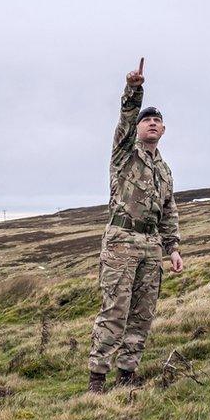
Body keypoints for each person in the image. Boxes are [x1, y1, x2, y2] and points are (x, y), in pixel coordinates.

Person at [88, 58, 184, 393]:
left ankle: (128, 373)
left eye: (158, 121)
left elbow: (168, 210)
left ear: (164, 129)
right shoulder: (124, 153)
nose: (152, 124)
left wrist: (172, 248)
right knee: (115, 309)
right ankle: (98, 379)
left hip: (151, 245)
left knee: (142, 313)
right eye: (148, 120)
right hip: (121, 241)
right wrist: (134, 91)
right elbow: (126, 120)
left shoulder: (165, 170)